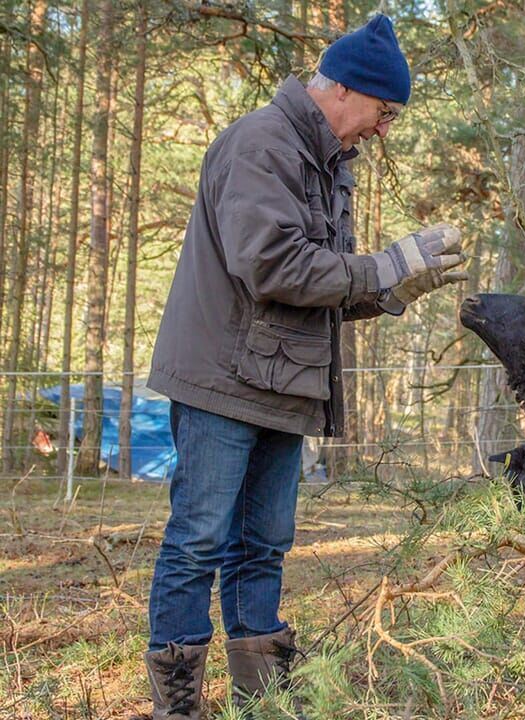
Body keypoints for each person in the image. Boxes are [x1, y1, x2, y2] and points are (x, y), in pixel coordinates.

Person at [141, 15, 464, 719]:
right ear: (345, 90)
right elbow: (272, 266)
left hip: (281, 384)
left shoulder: (327, 164)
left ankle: (261, 702)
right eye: (384, 113)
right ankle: (179, 708)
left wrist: (390, 288)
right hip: (223, 383)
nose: (382, 131)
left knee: (263, 547)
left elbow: (320, 289)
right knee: (198, 541)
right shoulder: (262, 144)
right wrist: (380, 266)